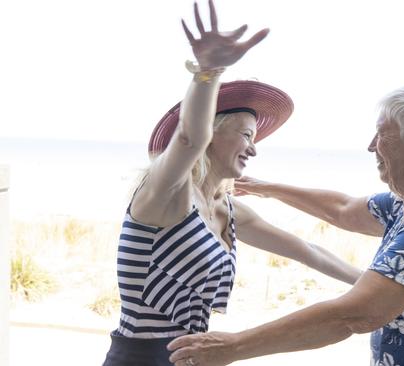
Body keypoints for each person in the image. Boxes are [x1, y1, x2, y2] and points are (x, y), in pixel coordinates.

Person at [102, 2, 361, 365]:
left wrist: (375, 287)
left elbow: (307, 251)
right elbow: (190, 138)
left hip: (194, 355)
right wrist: (208, 72)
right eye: (246, 135)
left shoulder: (227, 209)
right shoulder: (167, 196)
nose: (254, 149)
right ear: (213, 134)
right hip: (142, 357)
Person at [168, 84, 404, 365]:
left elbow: (353, 315)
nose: (371, 145)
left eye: (382, 134)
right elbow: (343, 209)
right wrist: (266, 188)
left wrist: (233, 346)